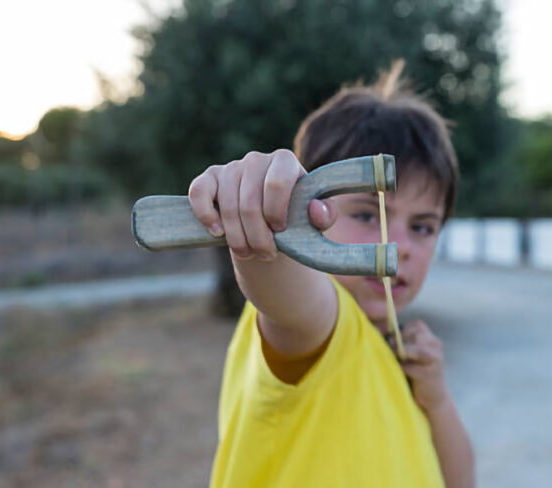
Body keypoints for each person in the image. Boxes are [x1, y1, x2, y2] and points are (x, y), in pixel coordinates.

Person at [188, 60, 474, 487]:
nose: (396, 245)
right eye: (365, 213)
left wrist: (436, 398)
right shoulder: (321, 327)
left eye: (421, 226)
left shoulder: (395, 348)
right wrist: (261, 214)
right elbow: (285, 291)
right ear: (311, 212)